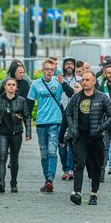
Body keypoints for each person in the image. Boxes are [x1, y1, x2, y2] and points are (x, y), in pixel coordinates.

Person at [66, 71, 111, 205]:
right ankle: (77, 192)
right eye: (83, 80)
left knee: (96, 166)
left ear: (94, 81)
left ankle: (94, 194)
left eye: (87, 80)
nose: (84, 82)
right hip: (80, 136)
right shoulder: (76, 97)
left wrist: (101, 127)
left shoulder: (102, 97)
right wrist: (73, 128)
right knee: (79, 164)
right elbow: (68, 112)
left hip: (96, 137)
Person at [27, 58, 74, 192]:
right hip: (41, 122)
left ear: (54, 71)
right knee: (44, 153)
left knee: (52, 151)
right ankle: (46, 178)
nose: (49, 72)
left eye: (52, 70)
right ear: (43, 70)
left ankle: (50, 179)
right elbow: (29, 104)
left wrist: (63, 83)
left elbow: (71, 93)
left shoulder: (58, 82)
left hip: (55, 121)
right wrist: (27, 125)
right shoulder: (35, 84)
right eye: (47, 69)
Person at [0, 78, 32, 193]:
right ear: (5, 86)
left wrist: (28, 132)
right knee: (2, 157)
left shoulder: (21, 100)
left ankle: (13, 184)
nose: (11, 86)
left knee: (14, 159)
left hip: (16, 133)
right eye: (9, 84)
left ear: (16, 87)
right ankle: (1, 182)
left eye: (13, 85)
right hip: (2, 133)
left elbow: (27, 116)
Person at [58, 57, 82, 180]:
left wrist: (64, 84)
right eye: (66, 64)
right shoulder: (57, 79)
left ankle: (70, 169)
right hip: (60, 113)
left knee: (72, 144)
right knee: (61, 144)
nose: (69, 66)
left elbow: (74, 93)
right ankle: (65, 168)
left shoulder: (80, 79)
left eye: (71, 64)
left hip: (75, 114)